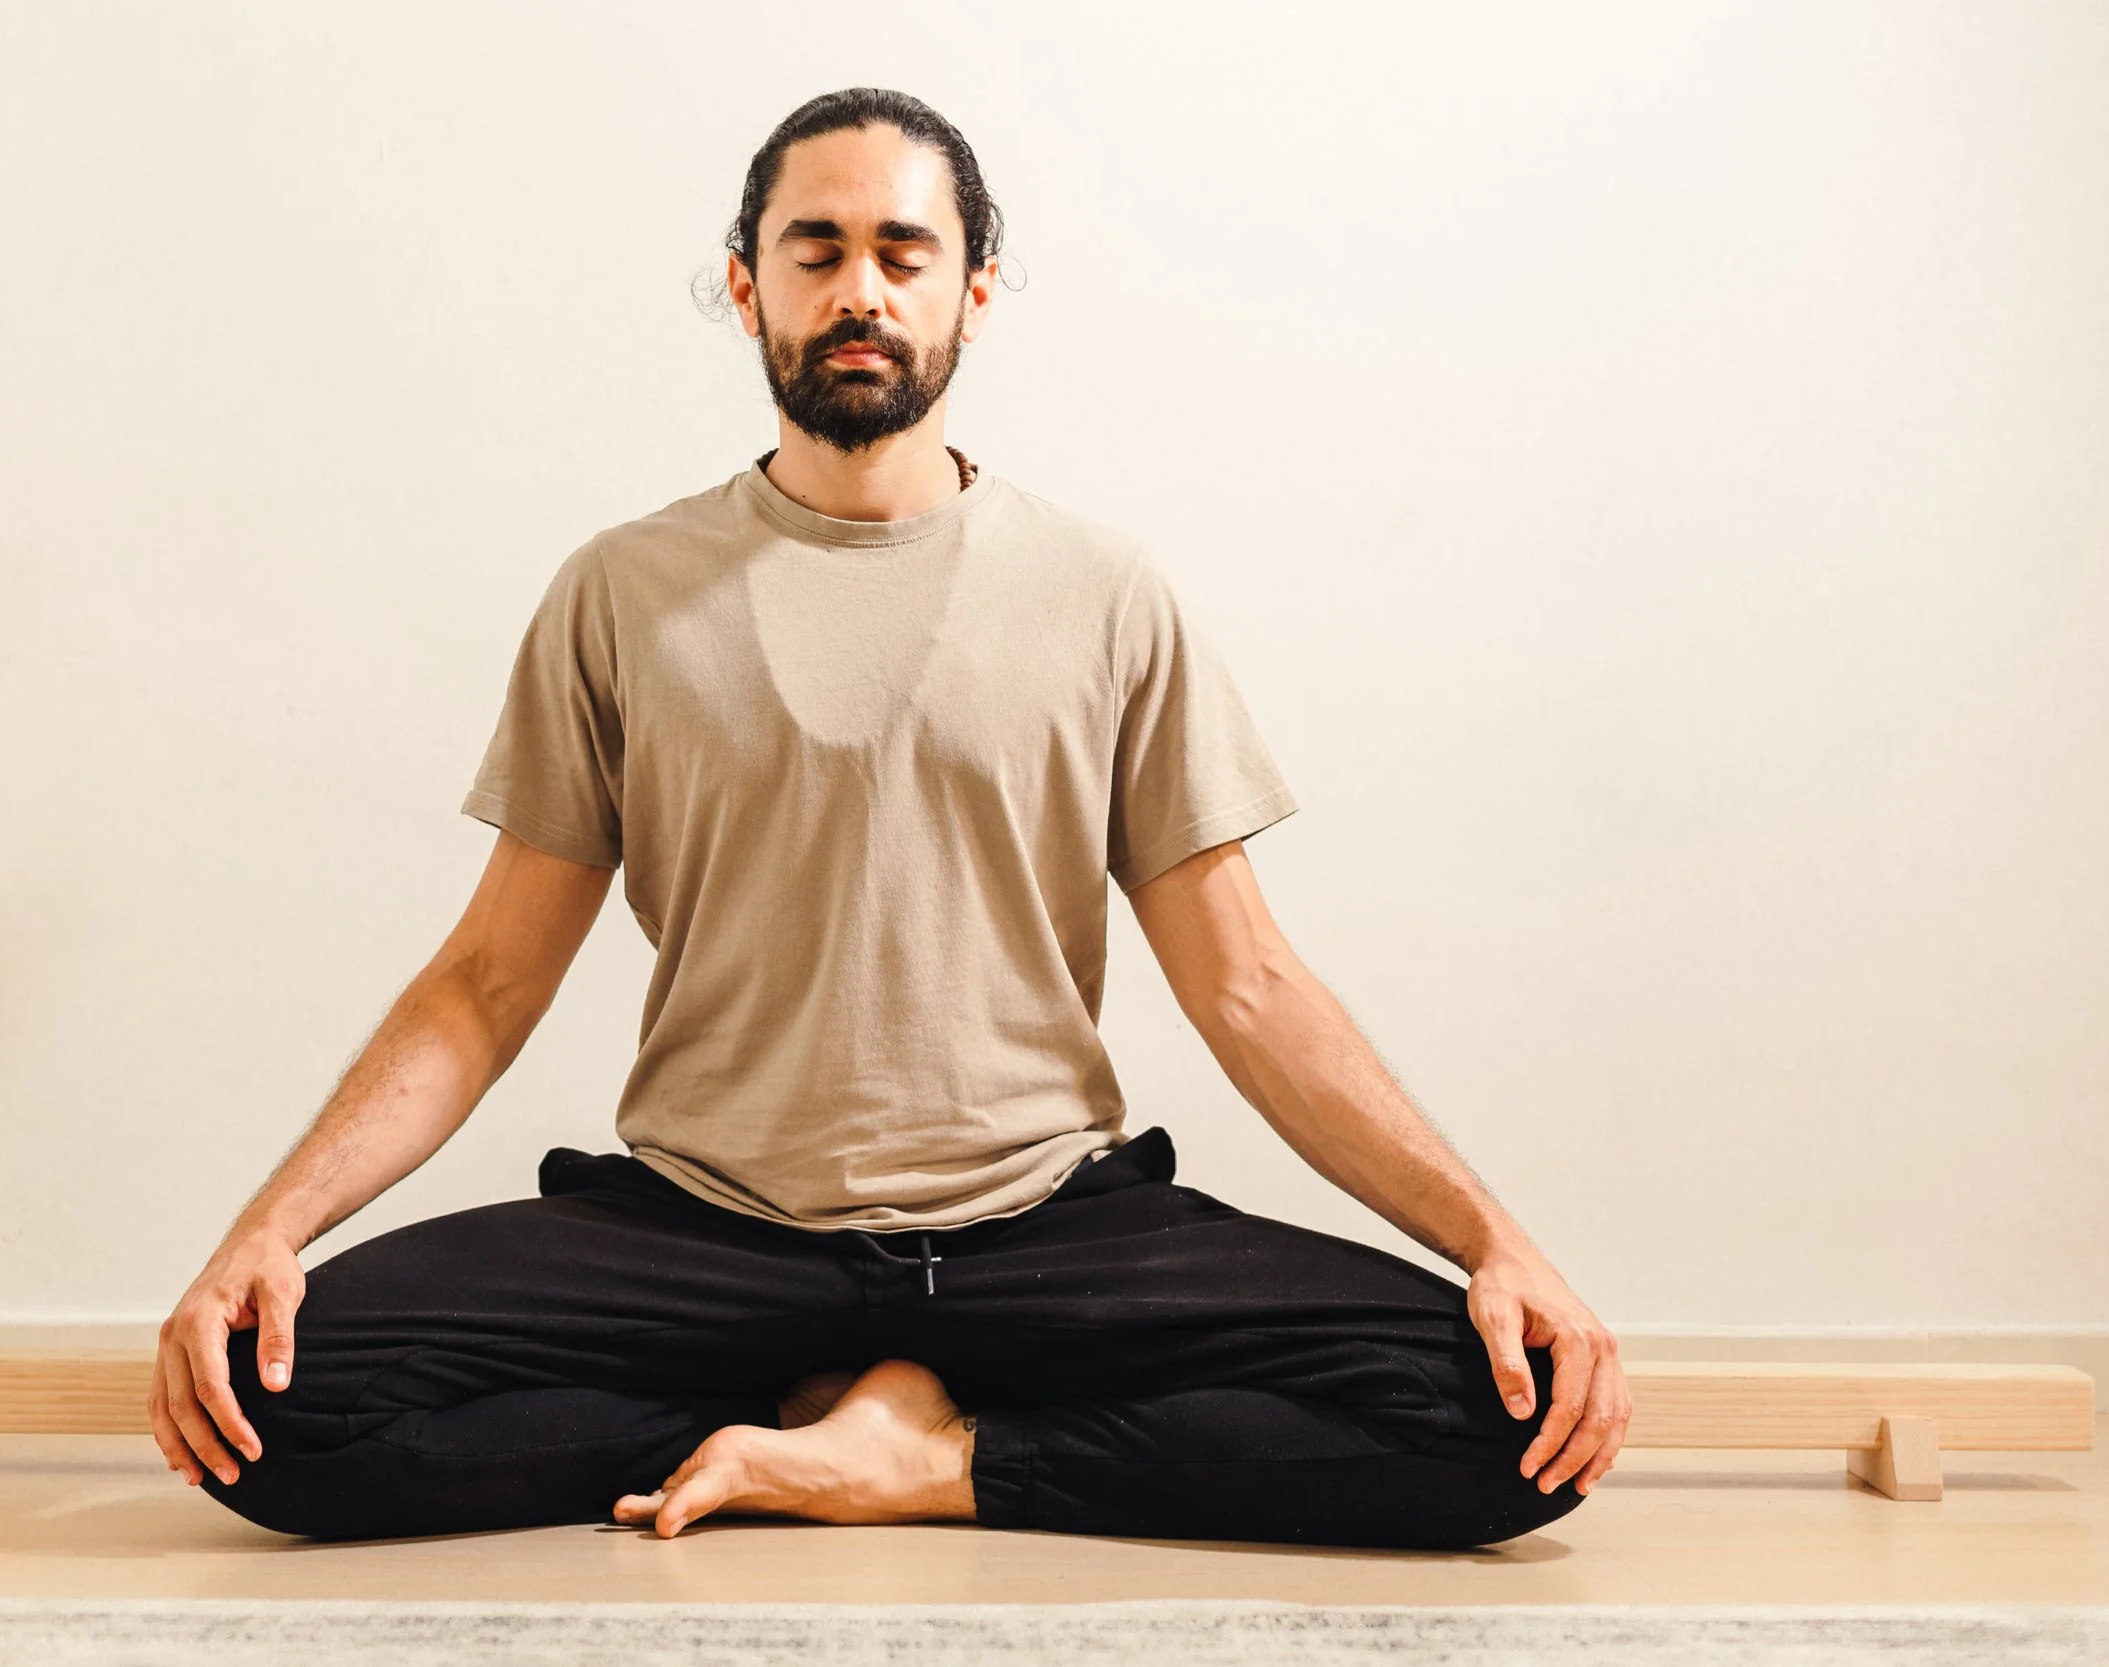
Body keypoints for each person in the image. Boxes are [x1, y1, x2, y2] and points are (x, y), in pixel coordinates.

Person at [151, 87, 1631, 1549]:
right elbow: (486, 980)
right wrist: (269, 1230)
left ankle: (934, 1458)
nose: (860, 289)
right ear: (747, 286)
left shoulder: (1107, 593)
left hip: (1036, 1233)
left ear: (974, 292)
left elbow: (1247, 983)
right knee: (270, 1406)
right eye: (815, 250)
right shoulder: (619, 593)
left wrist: (1494, 1241)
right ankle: (822, 1414)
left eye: (904, 253)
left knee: (1514, 1419)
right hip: (706, 1230)